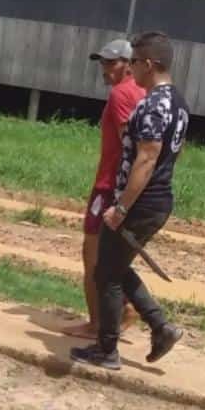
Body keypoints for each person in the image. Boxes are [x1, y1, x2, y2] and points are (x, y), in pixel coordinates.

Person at [71, 31, 189, 370]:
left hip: (140, 202)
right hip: (157, 198)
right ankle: (160, 326)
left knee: (105, 273)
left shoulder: (153, 104)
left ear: (149, 64)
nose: (131, 68)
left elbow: (147, 158)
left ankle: (106, 350)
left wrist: (122, 206)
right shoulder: (178, 102)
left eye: (134, 61)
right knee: (115, 264)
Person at [65, 39, 145, 339]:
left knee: (92, 254)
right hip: (123, 186)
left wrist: (120, 193)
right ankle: (124, 311)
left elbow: (130, 145)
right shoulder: (143, 93)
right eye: (103, 62)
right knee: (114, 256)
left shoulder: (121, 95)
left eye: (112, 63)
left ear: (129, 64)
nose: (105, 69)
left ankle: (97, 323)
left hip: (109, 185)